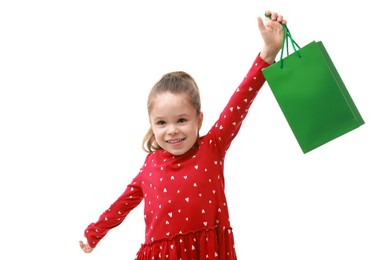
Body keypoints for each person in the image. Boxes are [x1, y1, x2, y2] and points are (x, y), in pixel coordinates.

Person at [80, 10, 287, 259]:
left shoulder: (212, 146)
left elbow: (240, 99)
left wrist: (268, 54)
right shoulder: (150, 165)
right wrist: (94, 234)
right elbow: (123, 203)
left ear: (198, 120)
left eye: (181, 120)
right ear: (152, 125)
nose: (173, 130)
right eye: (162, 123)